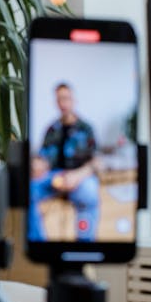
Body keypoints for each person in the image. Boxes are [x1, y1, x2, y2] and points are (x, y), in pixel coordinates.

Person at [29, 82, 101, 242]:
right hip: (54, 177)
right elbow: (43, 158)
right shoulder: (51, 129)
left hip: (80, 177)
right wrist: (39, 166)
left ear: (73, 100)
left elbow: (96, 162)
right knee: (28, 191)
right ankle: (39, 245)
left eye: (66, 98)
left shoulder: (86, 128)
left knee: (89, 193)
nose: (63, 103)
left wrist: (77, 176)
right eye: (59, 99)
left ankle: (84, 247)